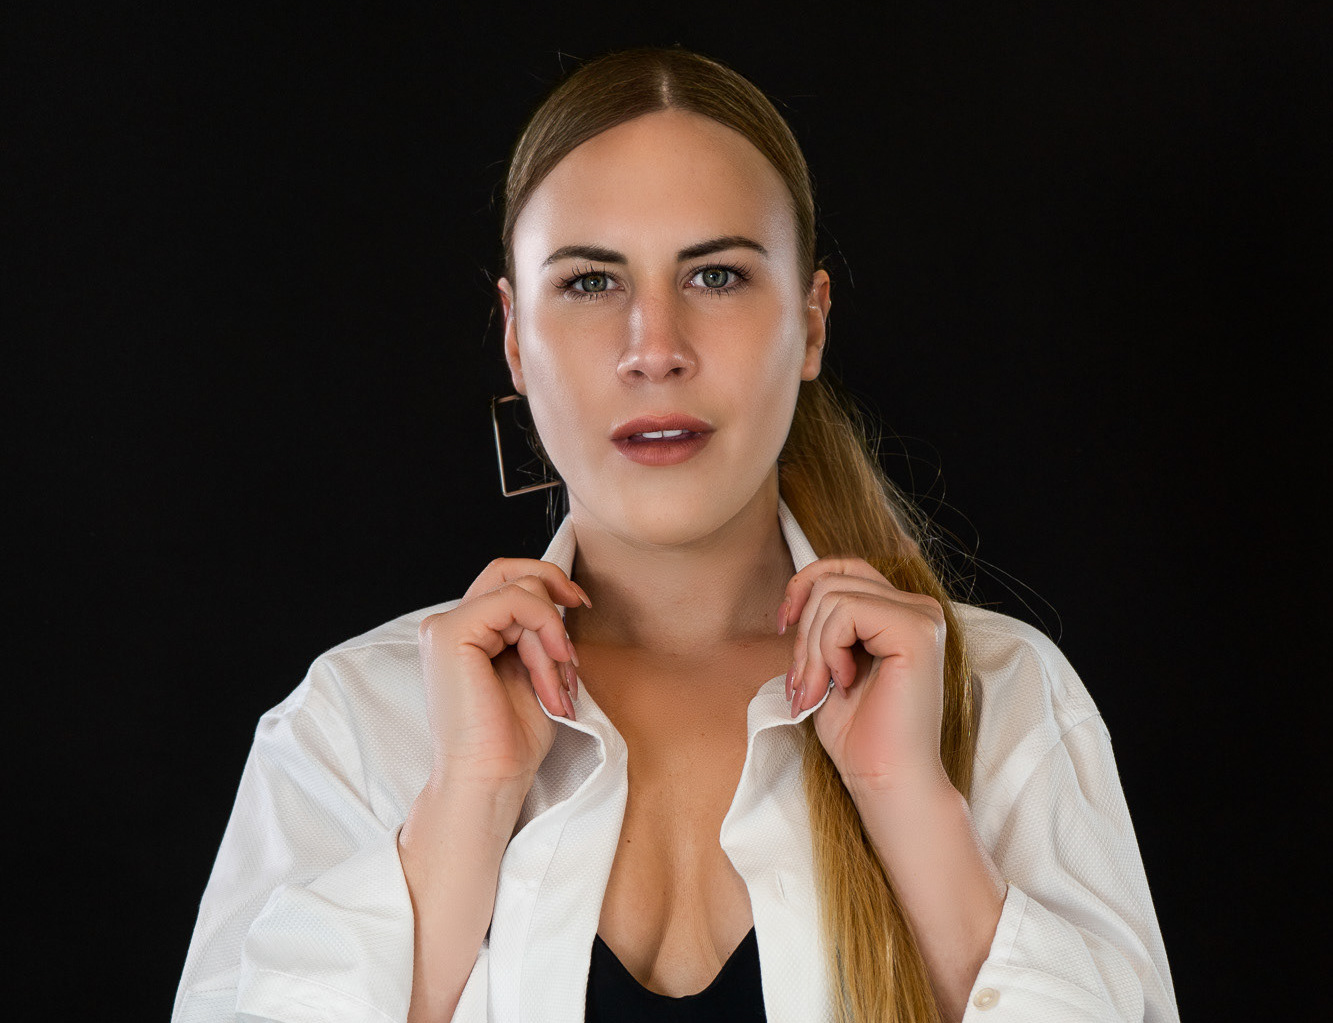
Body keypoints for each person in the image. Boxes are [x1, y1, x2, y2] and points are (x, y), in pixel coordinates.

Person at [172, 47, 1179, 1023]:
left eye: (717, 277)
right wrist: (465, 802)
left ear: (812, 321)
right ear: (515, 336)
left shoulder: (998, 698)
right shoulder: (354, 725)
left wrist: (911, 805)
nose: (654, 350)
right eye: (590, 282)